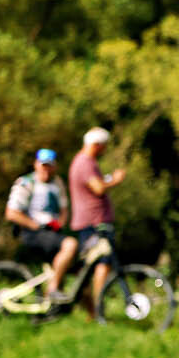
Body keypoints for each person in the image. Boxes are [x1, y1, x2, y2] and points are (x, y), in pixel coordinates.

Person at [68, 127, 125, 316]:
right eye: (104, 146)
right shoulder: (85, 162)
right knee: (101, 264)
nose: (105, 150)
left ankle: (94, 312)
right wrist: (115, 180)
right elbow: (98, 188)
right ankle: (98, 312)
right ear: (97, 145)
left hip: (92, 222)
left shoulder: (85, 162)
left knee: (90, 268)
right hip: (94, 223)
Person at [7, 148, 77, 298]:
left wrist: (60, 223)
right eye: (43, 165)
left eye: (49, 166)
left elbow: (64, 209)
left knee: (76, 270)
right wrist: (35, 225)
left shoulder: (57, 183)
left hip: (53, 233)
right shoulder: (26, 182)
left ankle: (93, 311)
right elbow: (11, 213)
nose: (46, 169)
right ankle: (52, 290)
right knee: (70, 244)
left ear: (54, 167)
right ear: (36, 164)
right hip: (33, 233)